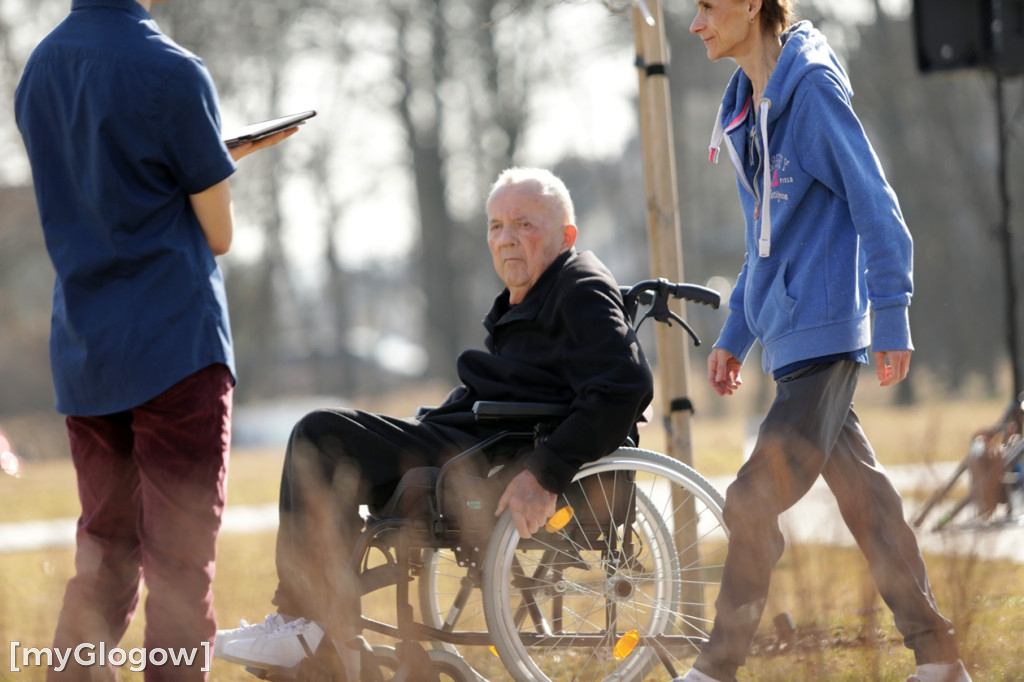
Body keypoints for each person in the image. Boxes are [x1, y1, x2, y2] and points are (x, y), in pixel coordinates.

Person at [214, 167, 654, 680]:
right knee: (326, 442)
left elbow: (625, 383)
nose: (506, 238)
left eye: (524, 224)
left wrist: (545, 472)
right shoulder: (534, 295)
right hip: (475, 443)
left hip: (493, 461)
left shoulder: (579, 286)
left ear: (566, 235)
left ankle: (308, 626)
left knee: (321, 434)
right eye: (495, 226)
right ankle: (314, 627)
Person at [675, 3, 973, 682]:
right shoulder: (748, 109)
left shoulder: (808, 93)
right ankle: (939, 657)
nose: (695, 23)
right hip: (791, 333)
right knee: (867, 503)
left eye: (708, 6)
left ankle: (716, 667)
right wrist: (736, 331)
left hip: (828, 332)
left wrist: (892, 313)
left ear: (752, 4)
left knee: (751, 500)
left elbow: (877, 207)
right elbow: (765, 242)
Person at [14, 0, 298, 679]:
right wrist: (212, 164)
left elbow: (99, 191)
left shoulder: (38, 71)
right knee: (179, 567)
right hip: (174, 345)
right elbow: (219, 234)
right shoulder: (174, 71)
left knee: (103, 557)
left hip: (86, 349)